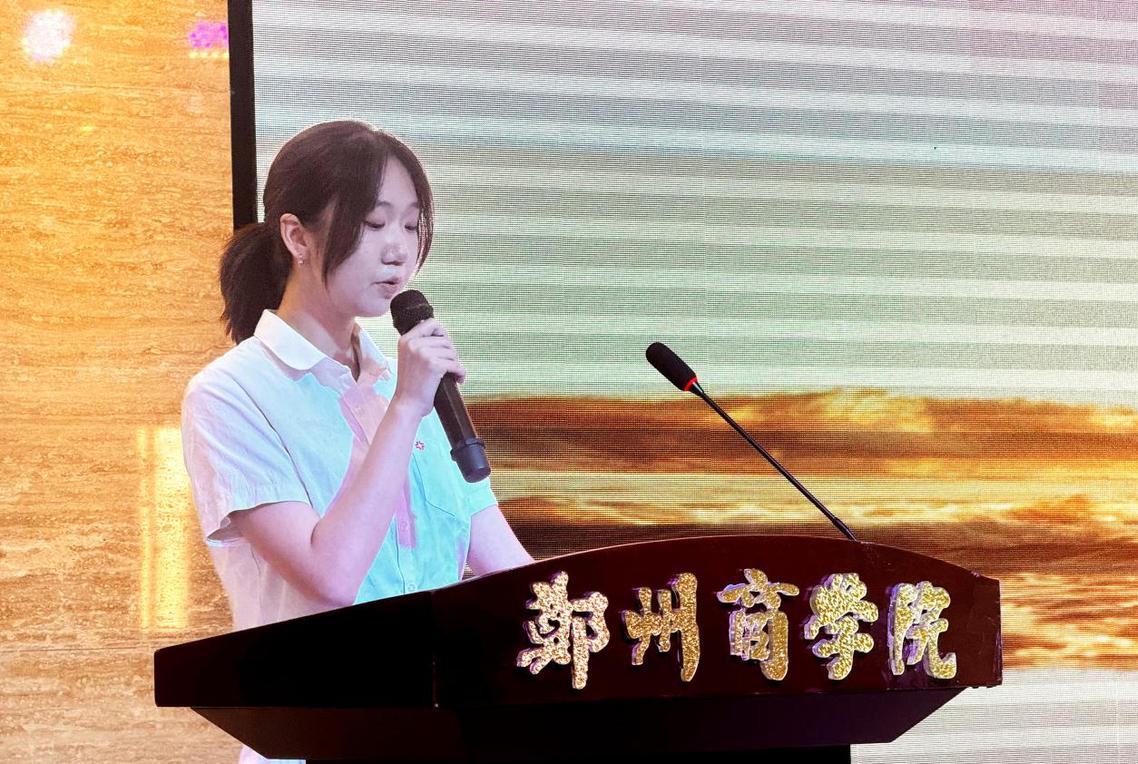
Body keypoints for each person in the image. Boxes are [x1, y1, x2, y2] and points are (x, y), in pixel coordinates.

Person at [180, 120, 533, 764]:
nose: (399, 249)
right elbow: (330, 576)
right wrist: (406, 407)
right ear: (297, 236)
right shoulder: (231, 394)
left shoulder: (407, 386)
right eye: (374, 224)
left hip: (437, 739)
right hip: (314, 742)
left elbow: (511, 570)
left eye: (411, 224)